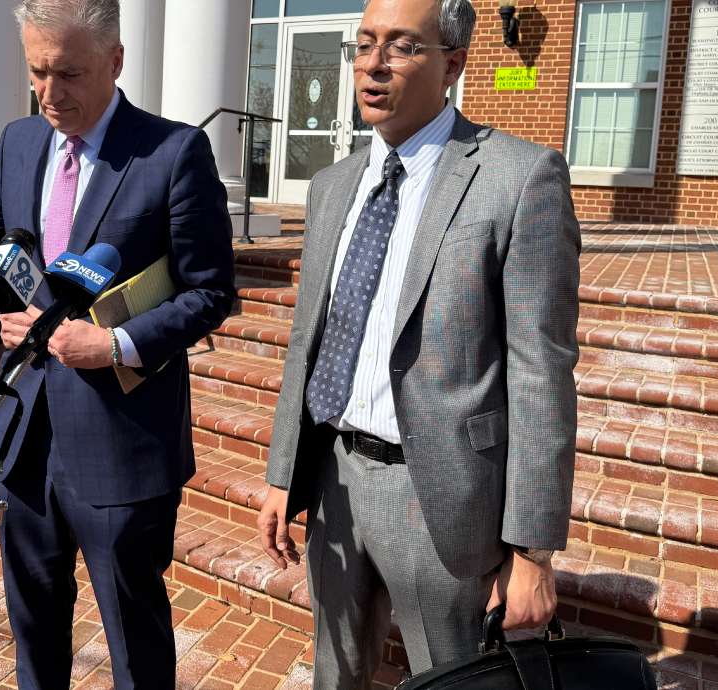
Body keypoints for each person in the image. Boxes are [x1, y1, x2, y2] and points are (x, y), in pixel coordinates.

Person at [256, 0, 579, 686]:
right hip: (336, 480)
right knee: (333, 674)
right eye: (365, 44)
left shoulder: (519, 179)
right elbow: (307, 340)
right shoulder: (332, 187)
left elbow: (539, 375)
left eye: (402, 47)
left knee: (451, 679)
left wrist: (533, 551)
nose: (374, 65)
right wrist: (283, 472)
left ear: (453, 64)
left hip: (443, 501)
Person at [0, 1, 235, 687]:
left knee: (134, 640)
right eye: (38, 72)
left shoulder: (173, 152)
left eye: (70, 74)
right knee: (33, 631)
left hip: (123, 443)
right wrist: (0, 304)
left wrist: (115, 342)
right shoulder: (18, 142)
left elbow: (210, 292)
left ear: (115, 62)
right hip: (23, 434)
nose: (51, 94)